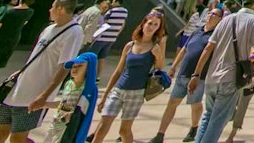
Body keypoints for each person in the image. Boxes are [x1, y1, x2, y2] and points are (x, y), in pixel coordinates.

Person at [0, 0, 84, 143]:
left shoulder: (74, 32)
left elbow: (64, 66)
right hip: (18, 90)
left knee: (17, 139)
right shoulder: (49, 29)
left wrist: (44, 96)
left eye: (52, 7)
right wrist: (22, 71)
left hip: (34, 96)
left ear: (60, 9)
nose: (49, 10)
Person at [188, 0, 254, 143]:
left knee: (208, 116)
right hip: (231, 78)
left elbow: (208, 48)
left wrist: (196, 74)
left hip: (212, 76)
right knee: (217, 121)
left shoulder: (226, 19)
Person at [89, 10, 167, 143]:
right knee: (103, 125)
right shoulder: (130, 45)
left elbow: (159, 69)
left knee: (124, 130)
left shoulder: (155, 47)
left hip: (136, 93)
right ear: (143, 24)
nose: (151, 27)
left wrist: (158, 55)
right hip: (119, 89)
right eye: (150, 23)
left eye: (155, 25)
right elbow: (118, 71)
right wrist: (106, 94)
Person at [153, 8, 221, 143]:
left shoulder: (217, 36)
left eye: (215, 14)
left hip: (199, 78)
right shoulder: (197, 31)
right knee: (172, 103)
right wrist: (173, 67)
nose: (210, 16)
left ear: (220, 19)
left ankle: (194, 128)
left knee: (195, 104)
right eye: (209, 13)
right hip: (183, 74)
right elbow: (184, 49)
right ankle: (160, 134)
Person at [41, 52, 98, 143]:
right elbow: (64, 103)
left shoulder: (88, 89)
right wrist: (45, 104)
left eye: (80, 66)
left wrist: (71, 114)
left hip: (69, 127)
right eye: (74, 66)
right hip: (56, 124)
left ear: (89, 69)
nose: (75, 69)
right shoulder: (68, 84)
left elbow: (83, 111)